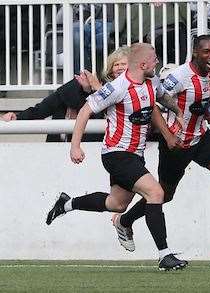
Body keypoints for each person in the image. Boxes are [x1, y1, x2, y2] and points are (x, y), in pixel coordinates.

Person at [45, 43, 188, 271]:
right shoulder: (117, 88)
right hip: (117, 154)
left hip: (134, 155)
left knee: (117, 204)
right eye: (154, 59)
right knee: (156, 192)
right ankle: (165, 255)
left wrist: (177, 115)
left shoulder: (152, 82)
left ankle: (67, 204)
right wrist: (75, 146)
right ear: (143, 64)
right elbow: (85, 111)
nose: (157, 63)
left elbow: (160, 101)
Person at [111, 35, 210, 256]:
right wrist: (167, 133)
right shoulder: (180, 76)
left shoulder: (209, 73)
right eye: (206, 52)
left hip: (202, 137)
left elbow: (199, 106)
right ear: (195, 52)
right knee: (164, 194)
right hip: (177, 143)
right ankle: (124, 221)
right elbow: (152, 101)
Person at [0, 46, 130, 142]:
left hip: (103, 144)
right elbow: (45, 107)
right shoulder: (99, 83)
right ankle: (19, 117)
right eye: (115, 64)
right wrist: (87, 90)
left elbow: (111, 112)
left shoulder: (137, 87)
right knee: (74, 86)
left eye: (123, 64)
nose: (119, 67)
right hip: (65, 143)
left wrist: (95, 89)